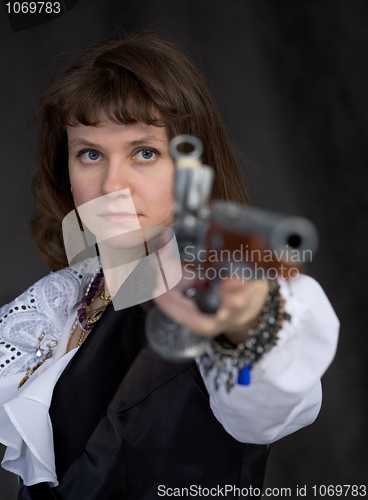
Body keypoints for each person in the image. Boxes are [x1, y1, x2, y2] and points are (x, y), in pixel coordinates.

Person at [0, 31, 339, 500]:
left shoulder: (218, 290)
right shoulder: (58, 303)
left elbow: (268, 403)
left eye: (145, 152)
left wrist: (249, 321)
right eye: (90, 154)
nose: (112, 184)